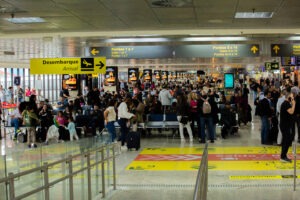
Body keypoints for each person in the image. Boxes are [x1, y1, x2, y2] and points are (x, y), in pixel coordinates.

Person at [280, 92, 296, 163]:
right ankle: (283, 156)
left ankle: (284, 155)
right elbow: (291, 112)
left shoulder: (287, 103)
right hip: (284, 125)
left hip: (286, 125)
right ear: (288, 97)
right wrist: (294, 104)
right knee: (286, 140)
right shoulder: (286, 104)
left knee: (287, 140)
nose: (292, 98)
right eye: (291, 97)